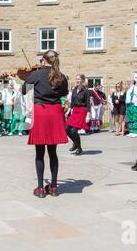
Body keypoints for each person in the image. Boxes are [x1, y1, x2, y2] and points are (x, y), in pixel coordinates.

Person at [22, 50, 69, 198]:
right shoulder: (61, 76)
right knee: (53, 152)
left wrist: (28, 78)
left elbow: (24, 91)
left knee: (39, 153)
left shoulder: (35, 74)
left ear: (43, 60)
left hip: (41, 112)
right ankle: (54, 187)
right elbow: (64, 93)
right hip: (55, 112)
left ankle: (41, 188)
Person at [66, 74, 91, 156]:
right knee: (66, 128)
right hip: (75, 111)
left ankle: (79, 148)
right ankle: (75, 143)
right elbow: (72, 103)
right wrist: (68, 111)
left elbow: (88, 104)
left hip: (82, 111)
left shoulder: (86, 91)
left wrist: (88, 115)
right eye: (76, 79)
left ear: (83, 81)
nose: (77, 80)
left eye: (79, 79)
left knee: (73, 131)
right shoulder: (74, 90)